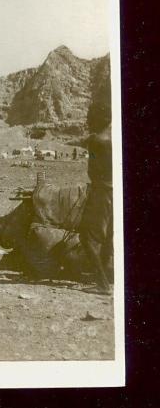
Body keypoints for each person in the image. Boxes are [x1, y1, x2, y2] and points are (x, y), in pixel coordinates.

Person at [80, 120, 113, 295]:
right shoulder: (115, 137)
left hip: (101, 191)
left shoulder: (95, 140)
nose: (87, 121)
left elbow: (92, 170)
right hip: (115, 190)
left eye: (90, 117)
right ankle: (108, 278)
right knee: (109, 236)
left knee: (86, 236)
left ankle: (102, 284)